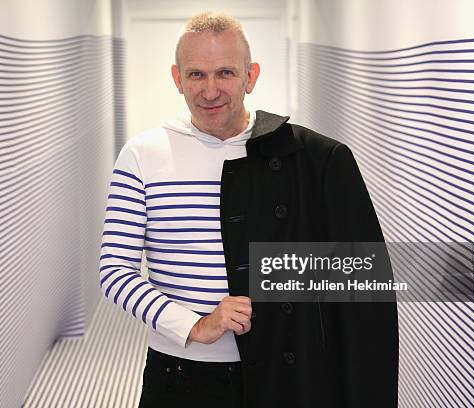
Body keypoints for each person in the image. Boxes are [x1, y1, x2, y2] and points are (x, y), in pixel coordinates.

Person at [99, 11, 398, 408]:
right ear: (176, 78)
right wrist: (195, 326)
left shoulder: (307, 158)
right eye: (196, 75)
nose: (210, 91)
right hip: (180, 374)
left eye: (225, 73)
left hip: (283, 371)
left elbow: (358, 280)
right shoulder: (141, 154)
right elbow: (114, 271)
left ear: (251, 76)